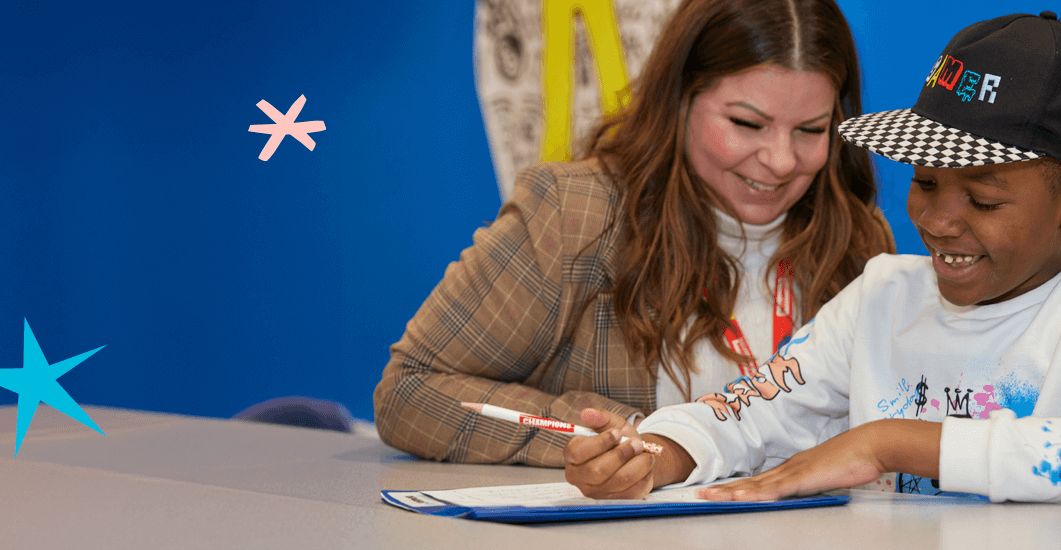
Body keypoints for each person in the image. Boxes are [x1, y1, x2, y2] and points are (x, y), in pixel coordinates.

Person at [562, 11, 1061, 509]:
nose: (937, 221)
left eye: (984, 199)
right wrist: (655, 453)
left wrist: (886, 443)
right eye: (926, 182)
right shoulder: (881, 293)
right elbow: (747, 413)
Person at [373, 0, 894, 468]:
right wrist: (615, 439)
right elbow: (410, 391)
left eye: (811, 130)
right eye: (746, 124)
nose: (781, 161)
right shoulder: (576, 214)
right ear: (679, 101)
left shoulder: (859, 239)